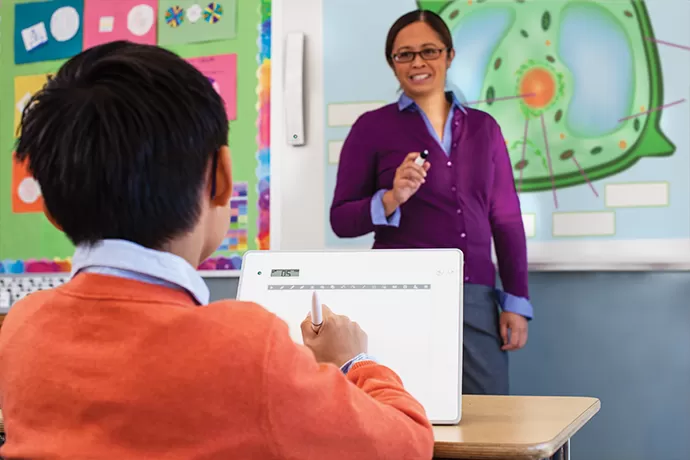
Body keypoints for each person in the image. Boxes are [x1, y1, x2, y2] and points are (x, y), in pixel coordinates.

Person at [0, 41, 433, 459]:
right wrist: (351, 360)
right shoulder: (249, 348)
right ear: (222, 178)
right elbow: (408, 441)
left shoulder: (21, 330)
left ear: (51, 211)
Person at [330, 10, 532, 395]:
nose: (418, 62)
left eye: (429, 51)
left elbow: (505, 218)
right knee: (401, 407)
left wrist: (516, 301)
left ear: (449, 55)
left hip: (473, 292)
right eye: (404, 54)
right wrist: (390, 198)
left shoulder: (484, 129)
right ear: (392, 64)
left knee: (489, 416)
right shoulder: (371, 128)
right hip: (397, 293)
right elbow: (341, 219)